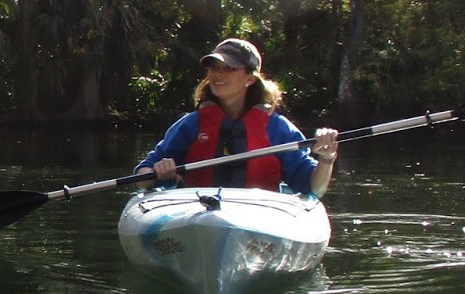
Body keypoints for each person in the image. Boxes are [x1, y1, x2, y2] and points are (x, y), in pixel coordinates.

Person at [136, 38, 340, 197]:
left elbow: (314, 188)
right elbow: (141, 177)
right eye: (214, 68)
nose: (218, 75)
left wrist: (327, 158)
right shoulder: (192, 125)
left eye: (229, 69)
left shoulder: (277, 129)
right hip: (197, 213)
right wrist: (157, 171)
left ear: (250, 78)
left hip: (257, 217)